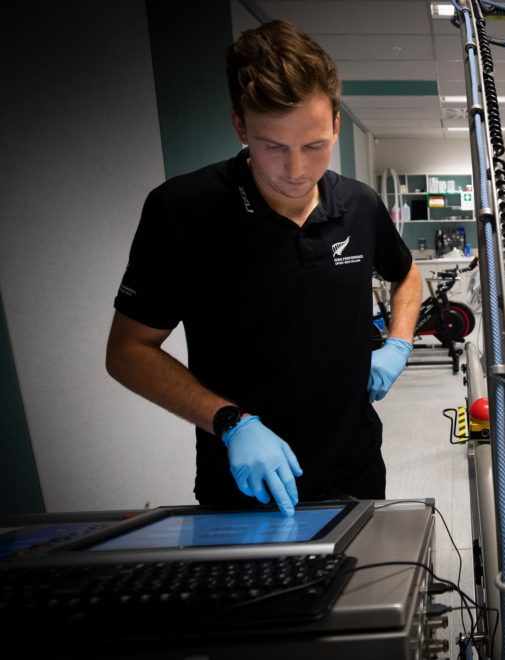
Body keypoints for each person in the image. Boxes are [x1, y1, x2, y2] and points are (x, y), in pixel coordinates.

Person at [105, 20, 421, 517]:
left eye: (314, 145)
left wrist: (399, 343)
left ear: (336, 124)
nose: (296, 170)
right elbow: (127, 352)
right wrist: (230, 422)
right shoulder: (183, 211)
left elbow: (406, 275)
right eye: (273, 146)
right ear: (240, 126)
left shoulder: (359, 204)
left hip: (357, 468)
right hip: (247, 486)